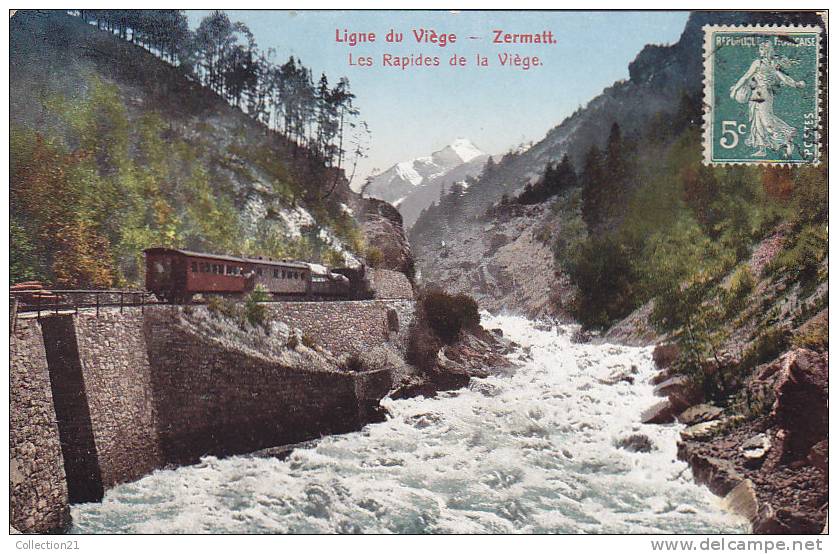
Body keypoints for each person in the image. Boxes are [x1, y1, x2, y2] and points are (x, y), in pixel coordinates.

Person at [729, 41, 805, 157]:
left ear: (768, 50)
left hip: (765, 94)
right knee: (757, 120)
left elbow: (783, 77)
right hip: (756, 94)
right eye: (760, 50)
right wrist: (735, 89)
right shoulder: (757, 63)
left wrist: (795, 84)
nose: (761, 52)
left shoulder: (773, 64)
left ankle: (786, 141)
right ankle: (762, 149)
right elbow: (746, 77)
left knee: (766, 121)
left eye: (763, 49)